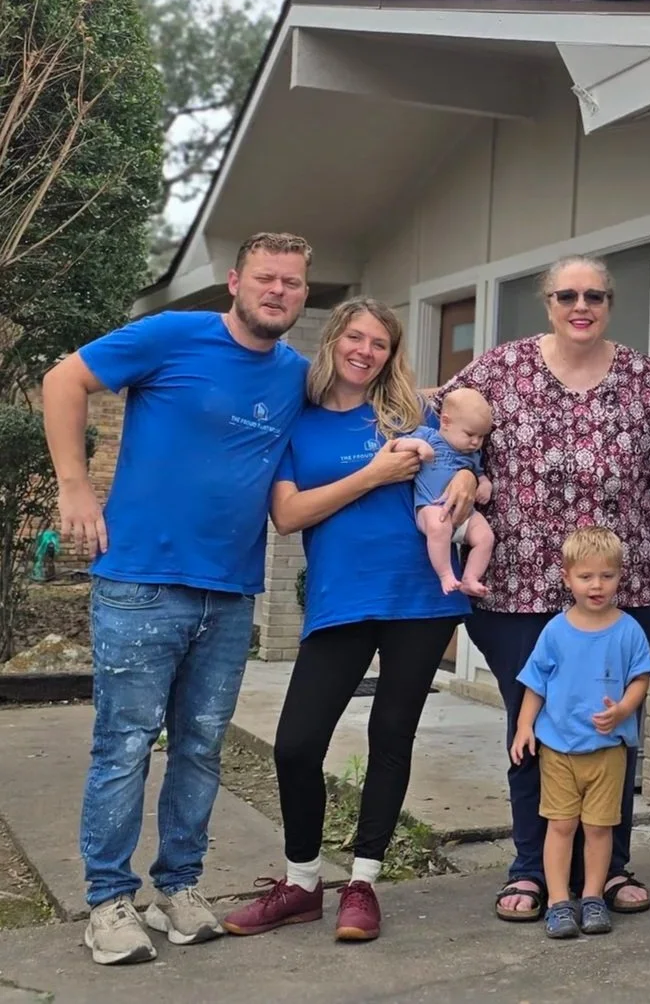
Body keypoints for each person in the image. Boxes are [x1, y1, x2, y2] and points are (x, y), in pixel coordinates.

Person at [41, 232, 313, 966]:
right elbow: (63, 380)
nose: (279, 291)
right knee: (125, 744)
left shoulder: (297, 374)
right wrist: (74, 486)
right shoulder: (171, 335)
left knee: (200, 747)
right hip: (141, 582)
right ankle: (108, 901)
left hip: (229, 593)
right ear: (236, 281)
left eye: (292, 282)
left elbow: (367, 399)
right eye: (267, 277)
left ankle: (177, 889)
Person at [220, 299, 477, 944]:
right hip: (341, 598)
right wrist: (374, 474)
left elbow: (465, 458)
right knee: (297, 744)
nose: (366, 351)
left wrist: (471, 483)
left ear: (391, 355)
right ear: (334, 340)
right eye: (356, 338)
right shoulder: (298, 424)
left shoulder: (412, 413)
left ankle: (363, 883)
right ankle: (302, 883)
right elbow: (288, 515)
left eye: (380, 344)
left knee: (391, 734)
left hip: (419, 596)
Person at [438, 255, 650, 921]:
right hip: (517, 586)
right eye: (567, 295)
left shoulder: (646, 380)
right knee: (533, 727)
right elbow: (441, 424)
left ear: (610, 303)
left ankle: (611, 866)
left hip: (621, 586)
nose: (581, 306)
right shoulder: (499, 369)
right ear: (548, 302)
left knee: (610, 724)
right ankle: (530, 869)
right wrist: (462, 471)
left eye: (594, 296)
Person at [508, 527, 650, 940]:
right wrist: (524, 727)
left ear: (620, 576)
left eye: (607, 576)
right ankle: (558, 901)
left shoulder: (628, 630)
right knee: (560, 826)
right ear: (566, 577)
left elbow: (641, 679)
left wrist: (624, 710)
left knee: (598, 829)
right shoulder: (555, 631)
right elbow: (535, 683)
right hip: (559, 750)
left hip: (607, 751)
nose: (596, 585)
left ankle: (592, 897)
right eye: (586, 576)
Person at [397, 386, 496, 596]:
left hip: (464, 513)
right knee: (439, 527)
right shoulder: (428, 436)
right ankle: (445, 575)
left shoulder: (473, 454)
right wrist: (418, 446)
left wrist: (485, 485)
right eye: (470, 434)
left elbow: (480, 475)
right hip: (431, 507)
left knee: (486, 537)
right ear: (445, 422)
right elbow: (397, 445)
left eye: (481, 437)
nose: (476, 442)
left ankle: (470, 578)